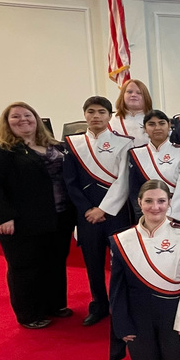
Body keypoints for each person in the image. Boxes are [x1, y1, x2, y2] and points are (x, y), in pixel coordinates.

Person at [0, 101, 75, 329]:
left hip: (58, 217)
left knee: (55, 262)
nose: (23, 120)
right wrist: (4, 216)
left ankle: (54, 304)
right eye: (16, 117)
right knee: (25, 267)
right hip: (20, 220)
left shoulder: (54, 146)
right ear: (6, 122)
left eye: (28, 115)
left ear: (37, 119)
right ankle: (29, 314)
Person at [107, 180, 180, 360]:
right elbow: (117, 289)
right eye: (148, 201)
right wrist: (122, 324)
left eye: (161, 201)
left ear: (169, 202)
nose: (155, 207)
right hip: (139, 312)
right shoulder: (121, 239)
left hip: (174, 311)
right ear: (139, 202)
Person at [64, 95, 134, 326]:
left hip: (116, 213)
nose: (96, 116)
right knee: (93, 264)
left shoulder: (124, 143)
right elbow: (70, 182)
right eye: (91, 111)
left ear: (110, 116)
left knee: (120, 263)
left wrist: (103, 209)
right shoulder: (73, 143)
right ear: (84, 114)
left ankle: (122, 305)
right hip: (87, 216)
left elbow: (124, 180)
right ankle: (99, 305)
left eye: (102, 112)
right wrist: (87, 210)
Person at [120, 109, 180, 222]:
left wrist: (171, 216)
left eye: (161, 123)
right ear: (145, 128)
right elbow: (134, 190)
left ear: (169, 126)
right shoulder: (135, 154)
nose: (157, 128)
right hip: (147, 213)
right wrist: (143, 215)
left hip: (174, 214)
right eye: (151, 124)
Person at [109, 79, 152, 147]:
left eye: (139, 93)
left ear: (146, 97)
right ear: (122, 95)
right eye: (129, 92)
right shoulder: (110, 120)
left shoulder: (155, 120)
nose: (133, 95)